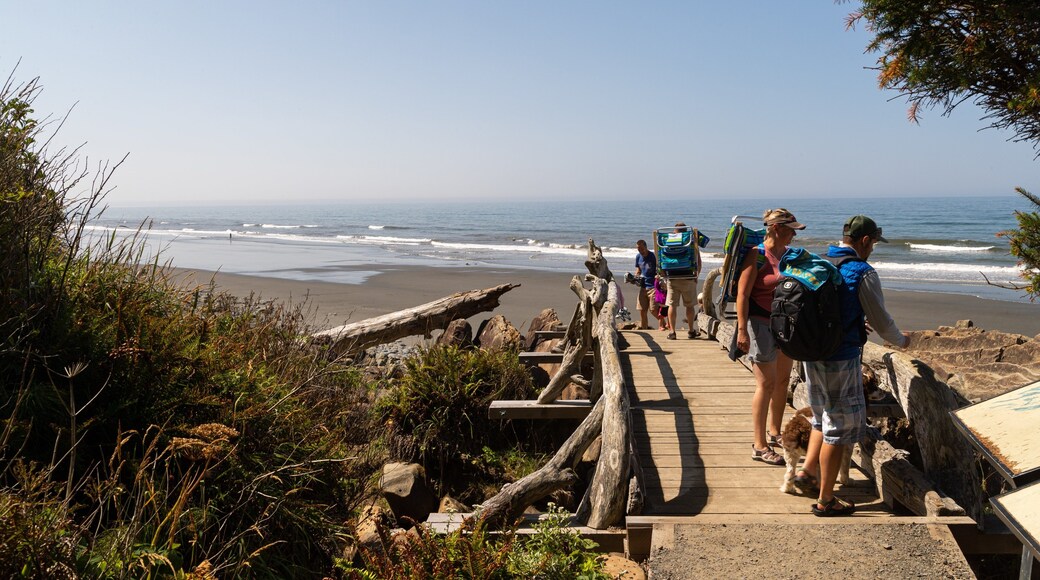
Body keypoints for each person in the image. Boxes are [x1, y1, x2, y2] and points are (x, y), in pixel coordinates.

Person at [796, 215, 911, 516]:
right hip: (840, 359)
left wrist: (857, 321)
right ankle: (825, 500)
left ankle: (807, 471)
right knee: (838, 427)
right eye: (873, 242)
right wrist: (902, 341)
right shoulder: (862, 272)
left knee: (822, 417)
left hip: (812, 355)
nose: (873, 248)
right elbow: (884, 323)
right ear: (864, 241)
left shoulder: (824, 263)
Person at [735, 208, 805, 466]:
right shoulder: (757, 255)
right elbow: (743, 295)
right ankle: (759, 445)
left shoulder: (789, 255)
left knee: (783, 381)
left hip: (785, 325)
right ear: (777, 228)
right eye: (791, 230)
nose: (793, 235)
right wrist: (742, 330)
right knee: (766, 384)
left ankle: (775, 433)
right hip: (759, 323)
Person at [664, 222, 699, 340]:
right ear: (685, 232)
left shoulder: (667, 242)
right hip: (688, 276)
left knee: (672, 305)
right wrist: (696, 275)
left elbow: (661, 258)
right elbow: (697, 260)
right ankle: (690, 330)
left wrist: (663, 274)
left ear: (675, 232)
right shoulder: (690, 242)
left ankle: (672, 332)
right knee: (689, 306)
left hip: (672, 277)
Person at [633, 239, 657, 330]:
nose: (641, 251)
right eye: (639, 250)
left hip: (653, 286)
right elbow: (638, 270)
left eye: (642, 249)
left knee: (653, 310)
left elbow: (659, 269)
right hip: (643, 286)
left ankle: (663, 325)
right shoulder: (638, 257)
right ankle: (644, 329)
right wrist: (635, 277)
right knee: (642, 311)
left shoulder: (653, 256)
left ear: (646, 247)